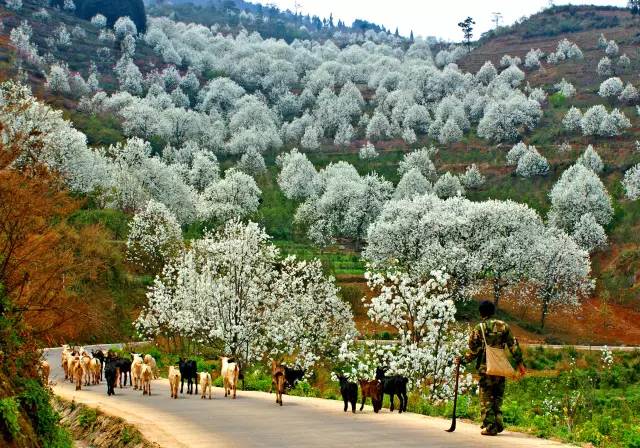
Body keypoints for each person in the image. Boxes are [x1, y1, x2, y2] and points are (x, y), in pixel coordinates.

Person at [456, 300, 526, 436]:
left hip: (486, 368)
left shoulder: (479, 328)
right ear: (493, 311)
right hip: (500, 368)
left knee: (486, 397)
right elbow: (513, 346)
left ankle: (490, 427)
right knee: (498, 396)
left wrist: (462, 360)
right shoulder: (504, 326)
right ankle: (498, 423)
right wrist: (520, 364)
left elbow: (474, 351)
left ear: (481, 313)